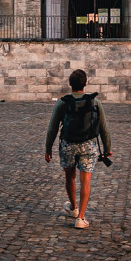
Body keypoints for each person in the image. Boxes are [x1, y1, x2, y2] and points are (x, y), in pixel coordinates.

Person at [44, 68, 111, 227]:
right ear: (85, 84)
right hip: (88, 145)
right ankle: (81, 217)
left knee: (69, 176)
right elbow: (104, 128)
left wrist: (48, 149)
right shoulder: (95, 102)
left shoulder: (63, 102)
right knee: (85, 180)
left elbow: (52, 128)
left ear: (70, 84)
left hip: (68, 144)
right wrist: (107, 148)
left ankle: (73, 207)